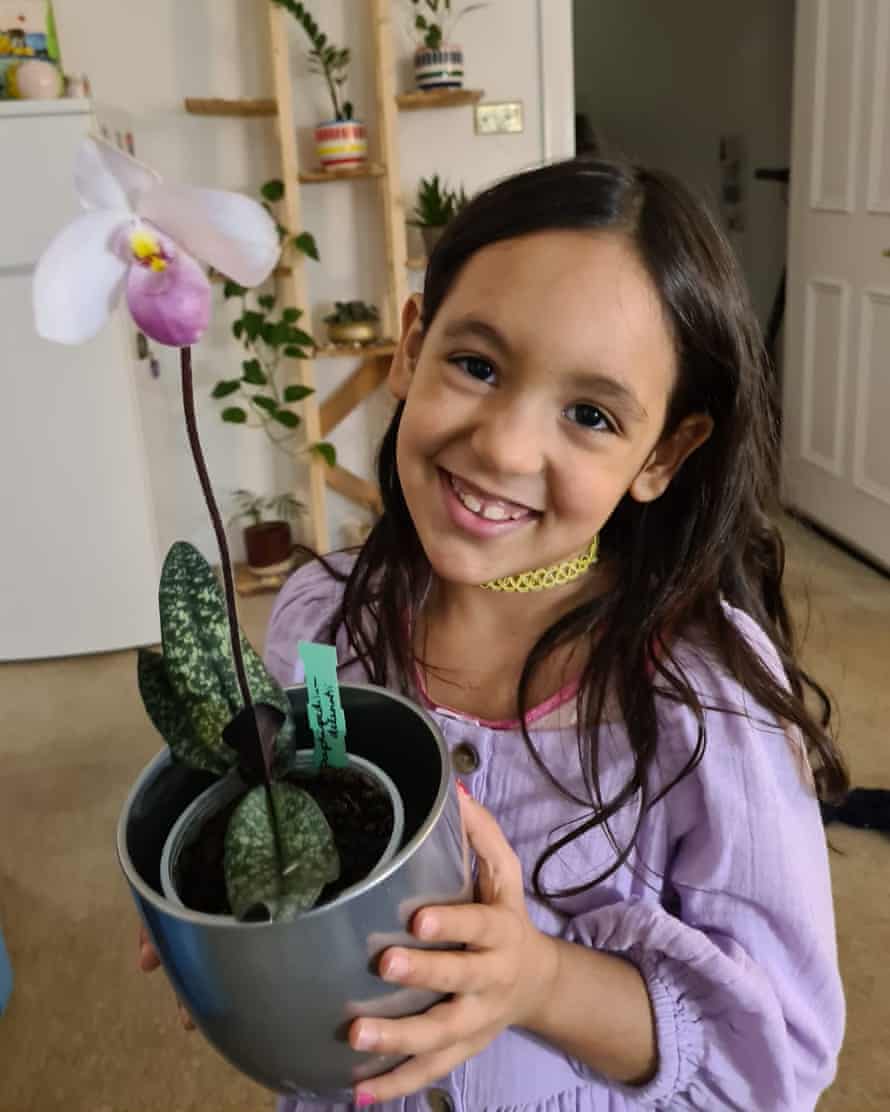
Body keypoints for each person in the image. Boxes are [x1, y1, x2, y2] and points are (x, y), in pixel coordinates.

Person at [141, 157, 848, 1110]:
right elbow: (289, 802)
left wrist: (540, 981)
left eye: (591, 415)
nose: (508, 447)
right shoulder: (320, 628)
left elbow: (780, 1054)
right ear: (410, 346)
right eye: (476, 365)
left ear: (664, 454)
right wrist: (227, 919)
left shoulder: (703, 697)